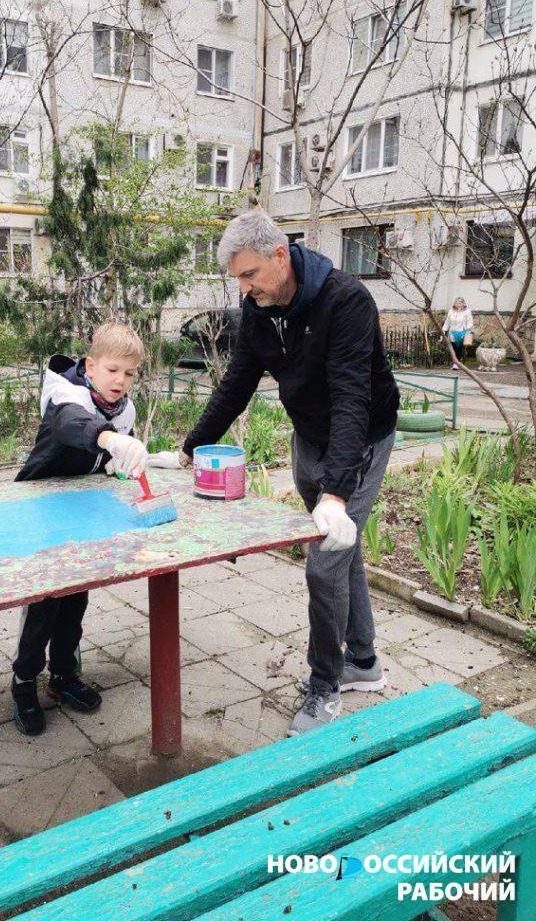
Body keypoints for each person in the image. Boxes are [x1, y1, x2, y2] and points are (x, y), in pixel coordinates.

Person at [160, 210, 400, 735]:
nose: (244, 289)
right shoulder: (258, 310)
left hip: (359, 441)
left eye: (249, 275)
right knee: (343, 550)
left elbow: (352, 401)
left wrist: (336, 493)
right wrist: (189, 450)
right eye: (237, 280)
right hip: (308, 437)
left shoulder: (346, 301)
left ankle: (324, 689)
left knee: (323, 564)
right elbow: (237, 383)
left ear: (278, 255)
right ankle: (364, 662)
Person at [11, 322, 149, 736]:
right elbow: (73, 427)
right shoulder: (64, 394)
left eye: (128, 374)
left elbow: (104, 459)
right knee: (45, 604)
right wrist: (109, 442)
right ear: (90, 366)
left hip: (83, 511)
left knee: (76, 601)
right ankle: (23, 683)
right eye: (111, 370)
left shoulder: (123, 410)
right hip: (44, 510)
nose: (119, 381)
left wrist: (119, 463)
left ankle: (63, 676)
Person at [441, 297, 474, 369]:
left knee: (460, 348)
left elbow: (470, 321)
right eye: (457, 303)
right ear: (454, 303)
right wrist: (444, 330)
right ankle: (455, 363)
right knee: (453, 348)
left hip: (462, 332)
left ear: (463, 303)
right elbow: (447, 322)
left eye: (460, 303)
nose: (458, 304)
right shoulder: (451, 311)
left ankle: (457, 363)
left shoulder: (467, 311)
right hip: (453, 332)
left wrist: (468, 329)